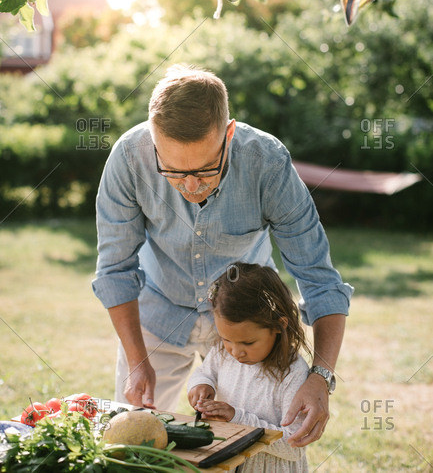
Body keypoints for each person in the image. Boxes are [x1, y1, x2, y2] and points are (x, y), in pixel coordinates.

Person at [93, 64, 353, 447]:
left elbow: (319, 279)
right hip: (158, 312)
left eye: (204, 169)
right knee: (133, 444)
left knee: (247, 446)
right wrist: (137, 361)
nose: (191, 186)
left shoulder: (268, 164)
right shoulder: (128, 159)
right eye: (174, 172)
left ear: (228, 134)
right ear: (152, 139)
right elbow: (115, 270)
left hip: (246, 321)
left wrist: (322, 377)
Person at [188, 262, 310, 472]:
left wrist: (238, 419)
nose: (235, 352)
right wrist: (201, 385)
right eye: (226, 339)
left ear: (279, 325)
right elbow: (204, 372)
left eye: (248, 343)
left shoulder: (293, 372)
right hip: (229, 462)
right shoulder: (222, 352)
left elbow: (295, 446)